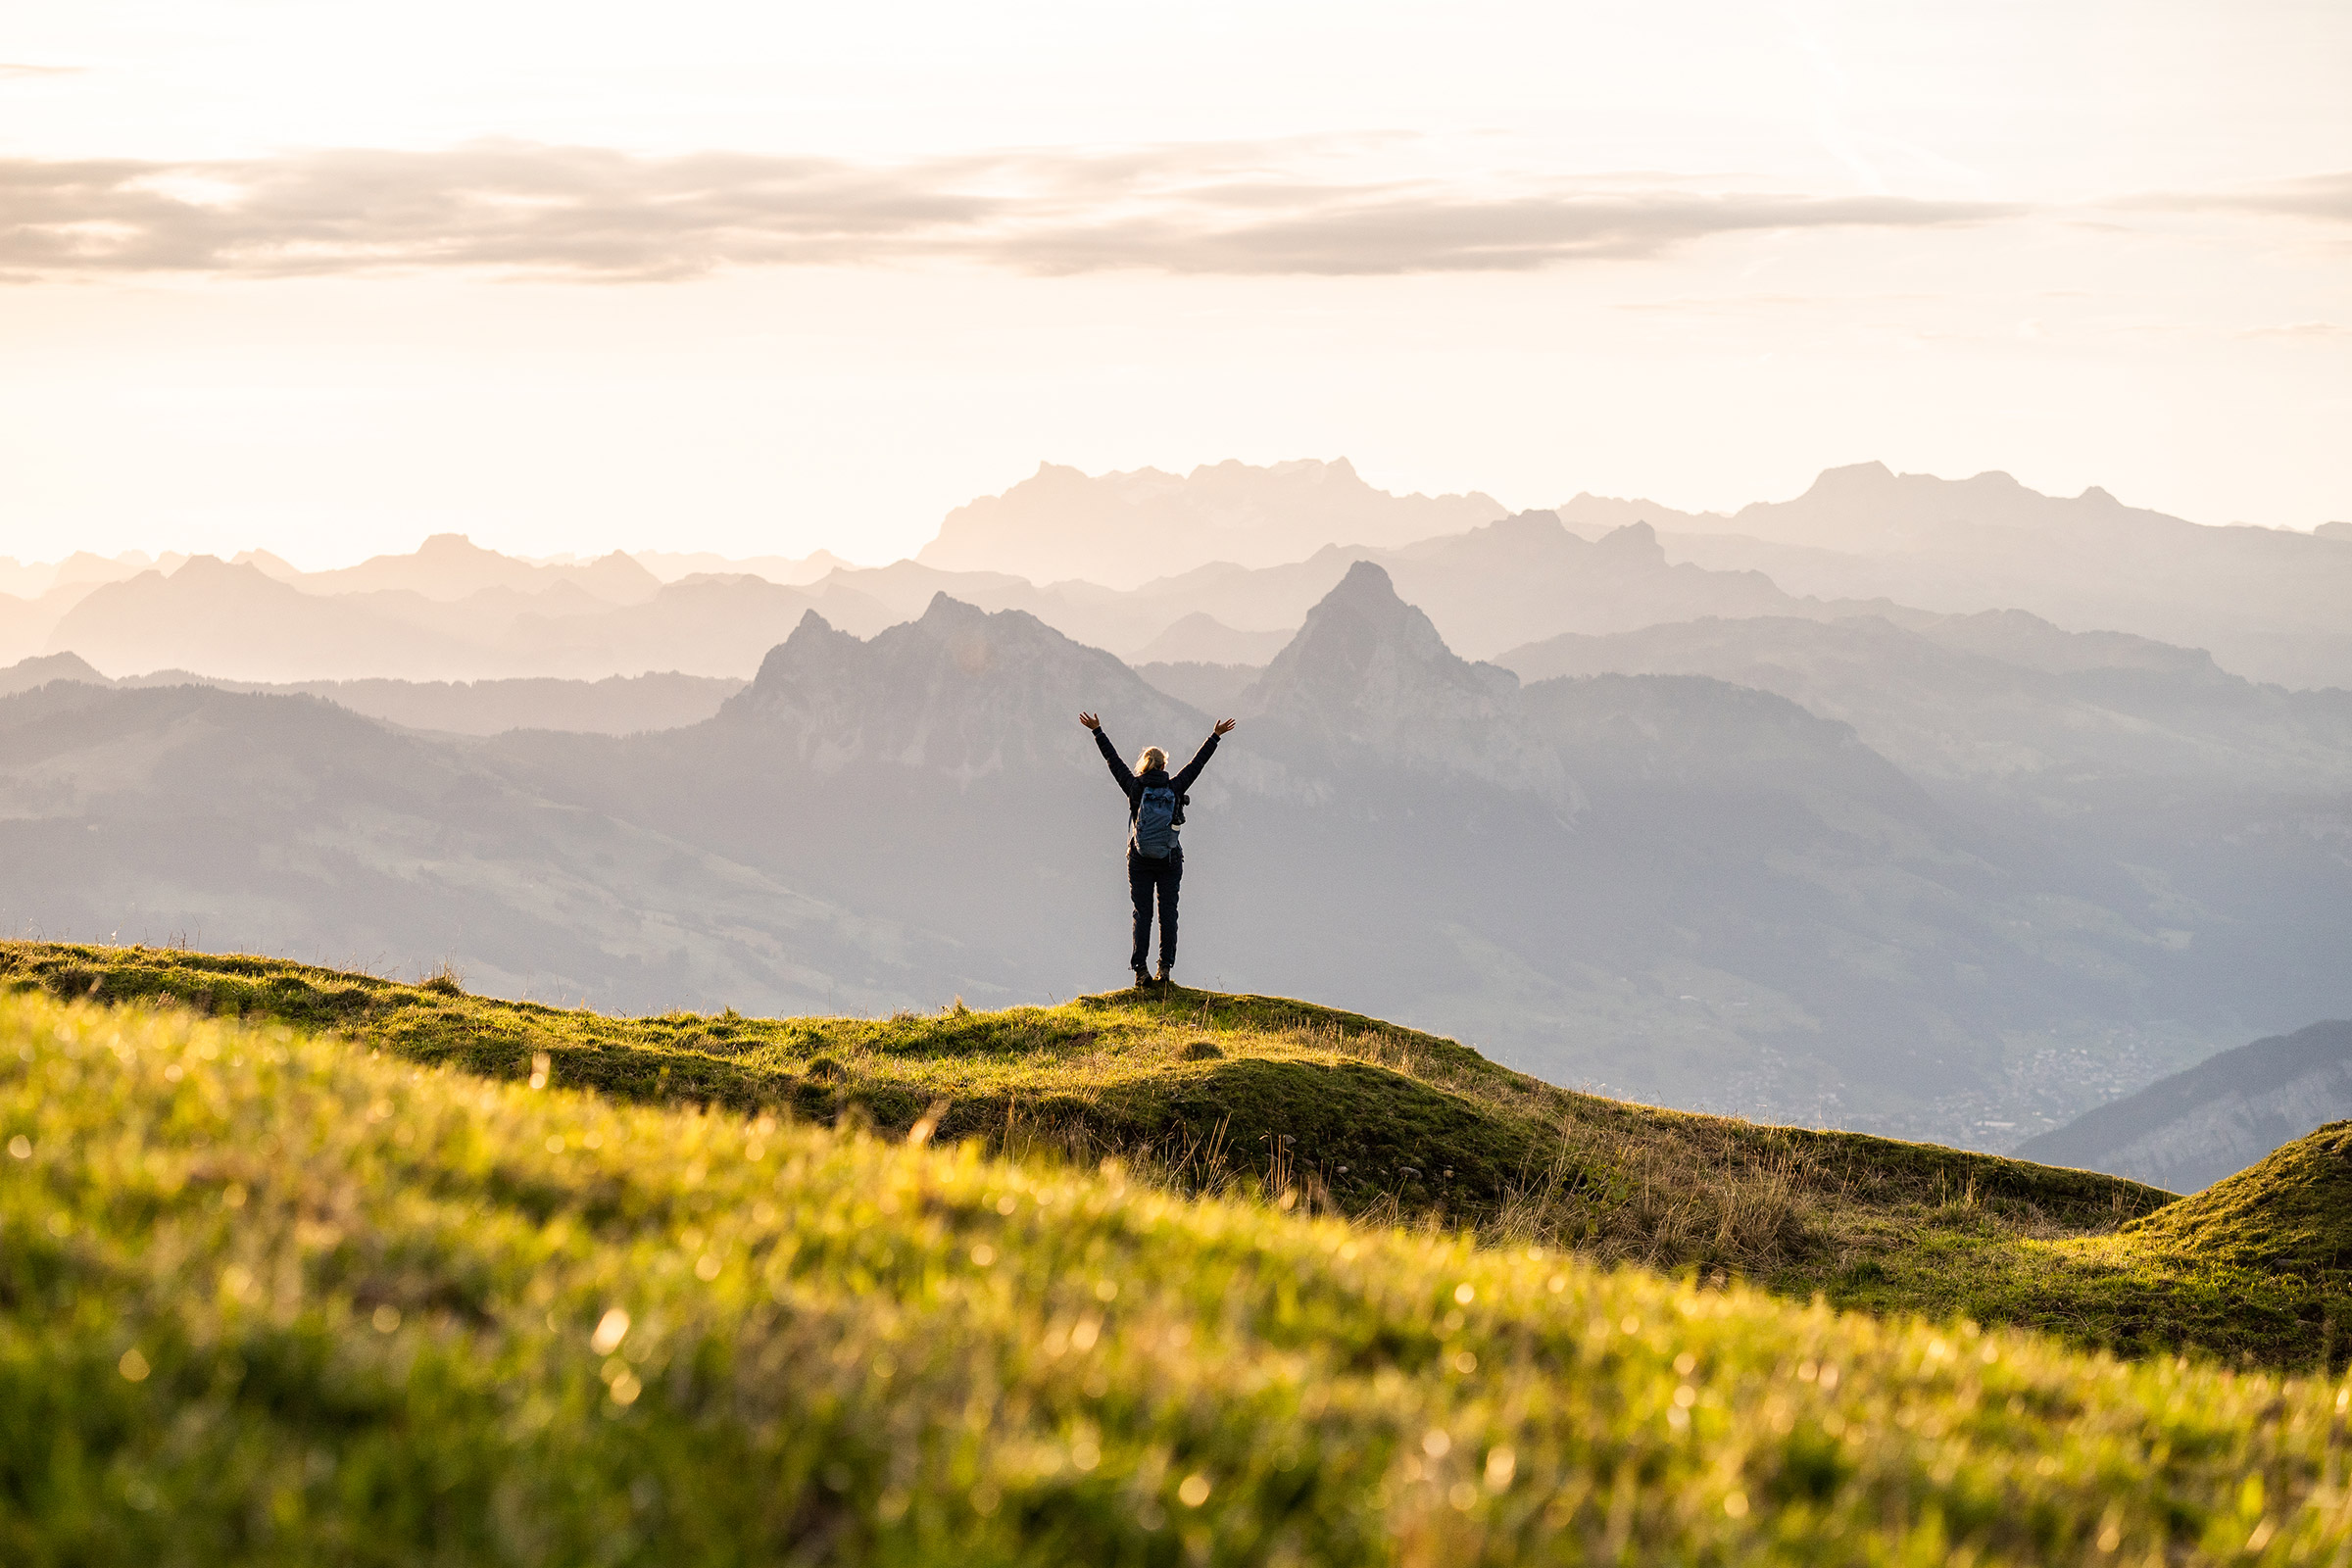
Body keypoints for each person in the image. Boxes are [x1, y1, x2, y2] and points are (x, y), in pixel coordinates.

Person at [1079, 710, 1236, 988]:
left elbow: (1113, 761)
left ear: (1144, 765)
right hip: (1169, 859)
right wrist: (1215, 736)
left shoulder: (1134, 788)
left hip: (1139, 859)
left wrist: (1098, 731)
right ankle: (1165, 968)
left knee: (1143, 914)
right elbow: (1197, 764)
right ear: (1164, 766)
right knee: (1168, 914)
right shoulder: (1175, 787)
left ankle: (1141, 971)